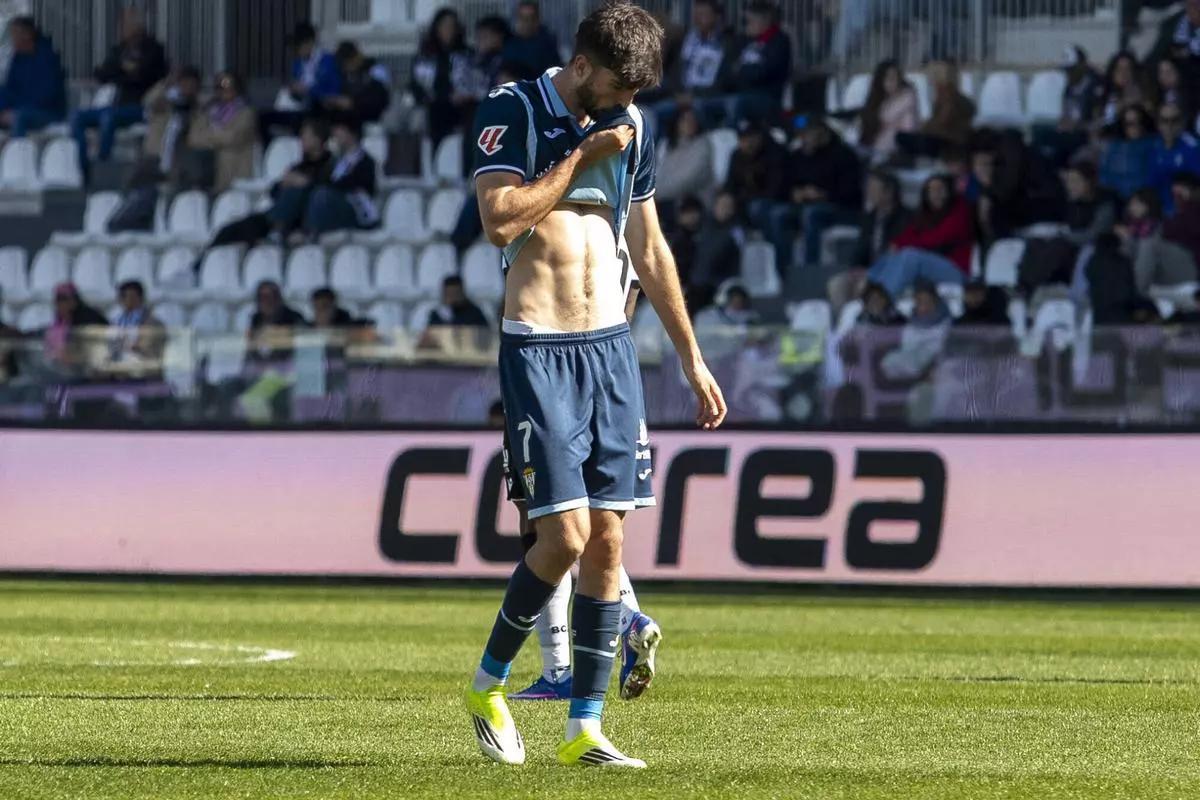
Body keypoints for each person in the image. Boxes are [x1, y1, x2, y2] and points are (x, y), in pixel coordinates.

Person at [466, 3, 725, 768]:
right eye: (615, 88)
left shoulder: (630, 124)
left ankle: (584, 727)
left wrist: (690, 356)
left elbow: (649, 246)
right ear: (581, 66)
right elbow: (500, 221)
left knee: (609, 538)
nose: (623, 104)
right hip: (538, 347)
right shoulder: (513, 110)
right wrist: (581, 156)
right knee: (564, 538)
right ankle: (486, 685)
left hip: (610, 349)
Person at [206, 116, 333, 251]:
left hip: (301, 220)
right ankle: (201, 261)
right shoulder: (299, 166)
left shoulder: (330, 164)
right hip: (274, 217)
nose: (301, 139)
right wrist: (283, 184)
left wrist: (305, 183)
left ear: (317, 139)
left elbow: (326, 193)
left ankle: (277, 232)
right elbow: (273, 193)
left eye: (305, 135)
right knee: (228, 231)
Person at [71, 7, 168, 182]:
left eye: (126, 24)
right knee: (77, 116)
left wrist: (120, 74)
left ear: (139, 26)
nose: (122, 29)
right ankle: (83, 166)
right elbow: (101, 74)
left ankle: (101, 165)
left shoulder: (153, 50)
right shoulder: (120, 49)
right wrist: (124, 72)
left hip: (140, 107)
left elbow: (142, 77)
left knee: (108, 118)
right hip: (115, 105)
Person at [775, 115, 863, 273]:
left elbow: (850, 192)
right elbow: (783, 186)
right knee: (779, 214)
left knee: (811, 214)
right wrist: (794, 193)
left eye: (806, 133)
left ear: (821, 131)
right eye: (800, 134)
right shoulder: (798, 156)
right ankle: (784, 271)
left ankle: (810, 270)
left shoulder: (844, 155)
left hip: (842, 209)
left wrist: (823, 195)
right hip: (805, 206)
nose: (803, 138)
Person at [867, 174, 973, 298]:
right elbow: (908, 235)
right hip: (930, 266)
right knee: (889, 256)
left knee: (910, 256)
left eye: (940, 189)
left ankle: (884, 299)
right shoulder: (925, 215)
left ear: (949, 191)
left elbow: (938, 238)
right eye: (931, 190)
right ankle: (867, 294)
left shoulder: (960, 209)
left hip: (956, 270)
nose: (936, 194)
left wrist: (903, 245)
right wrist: (896, 245)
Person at [827, 170, 912, 314]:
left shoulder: (906, 218)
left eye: (874, 189)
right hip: (867, 271)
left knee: (863, 285)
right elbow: (860, 249)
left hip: (890, 272)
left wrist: (870, 273)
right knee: (836, 284)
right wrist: (855, 268)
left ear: (889, 192)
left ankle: (867, 319)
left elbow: (896, 253)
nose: (869, 193)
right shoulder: (869, 218)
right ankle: (845, 321)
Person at [648, 0, 737, 132]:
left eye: (703, 15)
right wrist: (679, 94)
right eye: (696, 15)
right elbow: (676, 72)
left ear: (716, 17)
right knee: (654, 112)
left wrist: (695, 96)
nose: (697, 20)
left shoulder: (727, 43)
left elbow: (725, 80)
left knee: (699, 108)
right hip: (681, 96)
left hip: (707, 97)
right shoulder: (688, 39)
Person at [259, 22, 342, 143]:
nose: (297, 50)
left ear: (310, 42)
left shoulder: (328, 61)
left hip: (319, 109)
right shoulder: (297, 64)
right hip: (299, 107)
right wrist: (294, 89)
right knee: (263, 118)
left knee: (307, 116)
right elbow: (295, 85)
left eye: (299, 45)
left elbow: (334, 91)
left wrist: (309, 90)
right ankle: (271, 149)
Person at [298, 116, 379, 239]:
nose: (335, 134)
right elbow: (323, 181)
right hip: (336, 206)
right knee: (312, 192)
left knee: (322, 194)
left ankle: (309, 234)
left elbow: (351, 185)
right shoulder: (336, 160)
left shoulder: (366, 161)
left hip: (356, 209)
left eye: (339, 130)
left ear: (351, 133)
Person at [410, 8, 474, 149]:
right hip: (433, 111)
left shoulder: (466, 54)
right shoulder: (425, 55)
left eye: (452, 26)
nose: (449, 30)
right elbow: (416, 85)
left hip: (460, 111)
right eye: (445, 26)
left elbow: (473, 81)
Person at [186, 72, 257, 193]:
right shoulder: (209, 110)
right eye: (219, 86)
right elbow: (193, 138)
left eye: (228, 85)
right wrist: (217, 137)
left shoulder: (246, 112)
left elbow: (233, 138)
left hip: (233, 171)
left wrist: (209, 137)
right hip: (208, 171)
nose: (223, 90)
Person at [1034, 44, 1104, 168]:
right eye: (1066, 70)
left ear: (1082, 65)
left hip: (1085, 135)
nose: (1068, 73)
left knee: (1046, 139)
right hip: (1070, 133)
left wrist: (1077, 125)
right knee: (1039, 134)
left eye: (1072, 69)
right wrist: (1064, 123)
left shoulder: (1096, 86)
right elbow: (1066, 113)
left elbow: (1100, 120)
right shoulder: (1069, 87)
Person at [0, 16, 66, 138]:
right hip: (21, 108)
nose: (12, 39)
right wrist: (3, 109)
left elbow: (46, 96)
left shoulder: (47, 59)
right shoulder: (18, 58)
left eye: (15, 34)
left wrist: (15, 111)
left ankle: (19, 149)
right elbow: (9, 89)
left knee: (19, 117)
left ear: (27, 35)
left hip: (48, 112)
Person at [726, 1, 791, 125]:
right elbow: (729, 69)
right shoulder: (742, 40)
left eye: (750, 22)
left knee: (735, 104)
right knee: (706, 103)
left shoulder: (779, 41)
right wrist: (745, 71)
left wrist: (741, 71)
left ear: (764, 21)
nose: (746, 26)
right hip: (740, 92)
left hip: (766, 96)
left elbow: (765, 72)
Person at [895, 61, 976, 161]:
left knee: (903, 138)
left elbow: (941, 123)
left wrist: (925, 127)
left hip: (948, 143)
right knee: (903, 137)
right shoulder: (943, 100)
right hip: (942, 139)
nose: (934, 85)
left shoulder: (950, 99)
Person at [654, 107, 715, 215]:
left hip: (696, 202)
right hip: (667, 200)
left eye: (693, 120)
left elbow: (688, 181)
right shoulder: (668, 146)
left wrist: (655, 193)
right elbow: (658, 173)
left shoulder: (703, 145)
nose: (690, 123)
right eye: (685, 120)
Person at [858, 59, 919, 160]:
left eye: (895, 77)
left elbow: (887, 118)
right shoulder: (881, 98)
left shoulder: (907, 97)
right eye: (888, 78)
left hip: (896, 152)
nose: (893, 82)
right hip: (877, 150)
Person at [1149, 102, 1200, 213]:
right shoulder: (1152, 146)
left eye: (1174, 120)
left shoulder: (1194, 147)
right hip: (1156, 210)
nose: (1169, 125)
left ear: (1182, 122)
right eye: (1164, 120)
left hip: (1186, 212)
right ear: (1158, 124)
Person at [325, 42, 392, 125]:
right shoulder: (347, 75)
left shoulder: (377, 71)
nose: (347, 68)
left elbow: (379, 100)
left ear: (356, 57)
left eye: (349, 63)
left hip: (375, 119)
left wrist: (353, 102)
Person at [1101, 104, 1158, 199]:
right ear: (1123, 125)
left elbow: (1152, 176)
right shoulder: (1113, 147)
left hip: (1143, 197)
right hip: (1115, 197)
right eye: (1130, 124)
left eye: (1139, 122)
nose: (1136, 127)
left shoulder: (1153, 144)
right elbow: (1104, 176)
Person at [501, 1, 560, 79]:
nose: (527, 23)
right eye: (523, 18)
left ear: (537, 20)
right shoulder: (509, 43)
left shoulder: (547, 45)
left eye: (531, 18)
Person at [110, 280, 165, 362]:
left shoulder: (153, 322)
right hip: (119, 365)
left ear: (135, 297)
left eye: (124, 295)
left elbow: (147, 347)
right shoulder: (117, 320)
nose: (120, 299)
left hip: (143, 365)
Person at [425, 275, 489, 328]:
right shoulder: (437, 314)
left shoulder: (475, 313)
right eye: (448, 294)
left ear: (462, 292)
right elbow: (431, 332)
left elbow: (484, 331)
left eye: (455, 293)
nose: (452, 298)